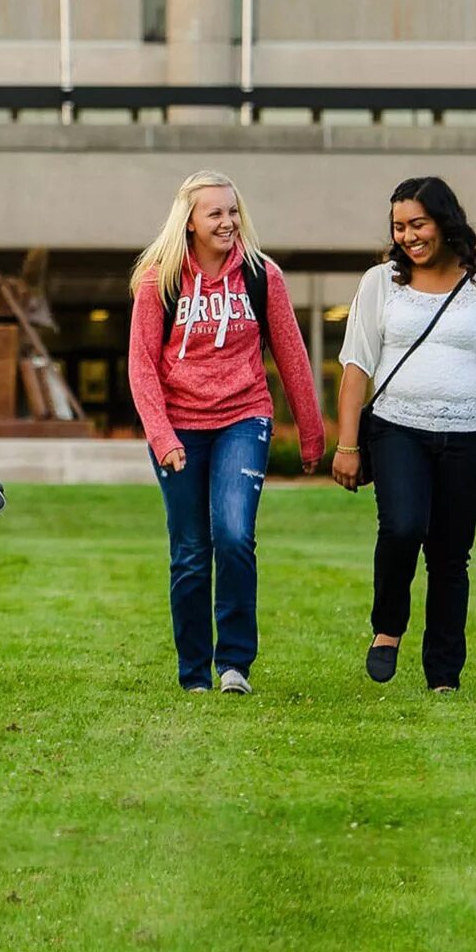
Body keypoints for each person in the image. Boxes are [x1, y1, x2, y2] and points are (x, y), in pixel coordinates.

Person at [127, 170, 325, 695]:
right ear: (189, 222)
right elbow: (141, 366)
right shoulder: (158, 278)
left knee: (234, 536)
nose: (227, 222)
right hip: (179, 429)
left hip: (244, 417)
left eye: (232, 211)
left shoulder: (262, 275)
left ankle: (234, 664)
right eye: (215, 213)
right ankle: (193, 672)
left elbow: (292, 354)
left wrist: (312, 431)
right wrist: (163, 438)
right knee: (191, 550)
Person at [330, 176, 476, 692]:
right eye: (399, 227)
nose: (409, 236)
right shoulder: (380, 283)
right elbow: (355, 368)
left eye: (418, 224)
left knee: (449, 555)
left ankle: (443, 673)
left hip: (468, 435)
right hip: (397, 430)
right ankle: (388, 628)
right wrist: (348, 444)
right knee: (402, 528)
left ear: (444, 220)